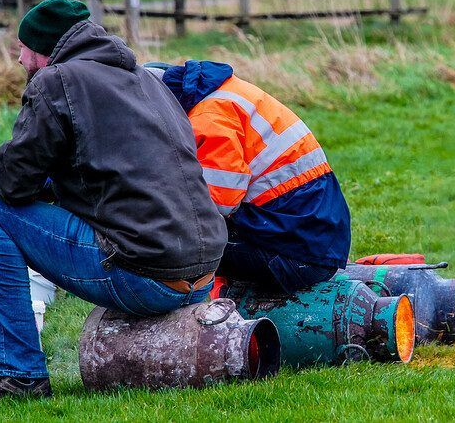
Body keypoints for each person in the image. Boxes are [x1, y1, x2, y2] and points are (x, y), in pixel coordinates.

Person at [0, 0, 227, 402]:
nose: (17, 59)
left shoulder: (55, 81)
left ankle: (19, 374)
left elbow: (11, 186)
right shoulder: (148, 80)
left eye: (22, 48)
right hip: (202, 273)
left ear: (43, 50)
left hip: (145, 276)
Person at [145, 60, 351, 295]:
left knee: (173, 253)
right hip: (315, 240)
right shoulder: (223, 93)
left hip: (298, 255)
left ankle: (194, 313)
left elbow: (212, 207)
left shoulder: (209, 118)